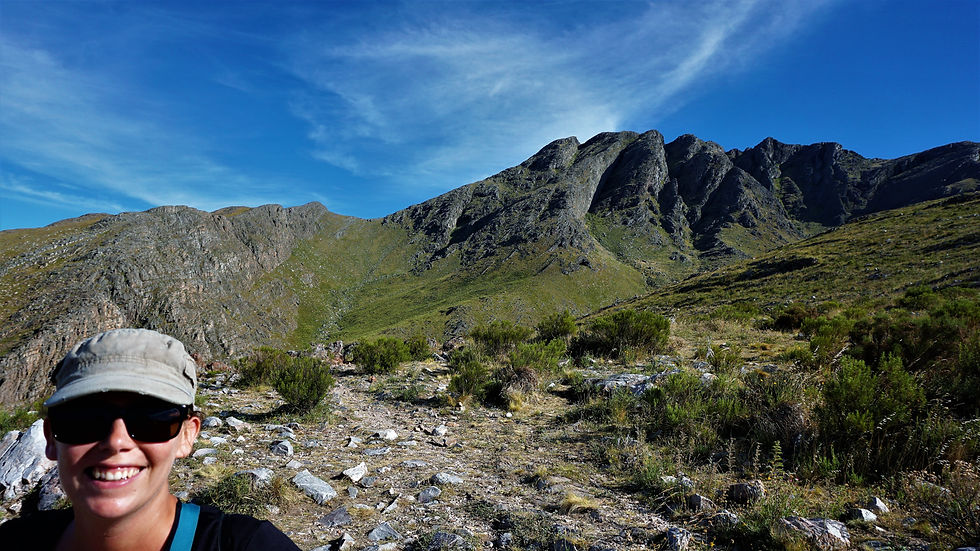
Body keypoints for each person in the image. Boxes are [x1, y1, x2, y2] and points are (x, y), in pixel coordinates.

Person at [0, 328, 301, 550]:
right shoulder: (14, 541)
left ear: (187, 435)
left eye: (152, 418)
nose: (116, 441)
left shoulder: (247, 546)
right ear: (51, 438)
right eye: (85, 418)